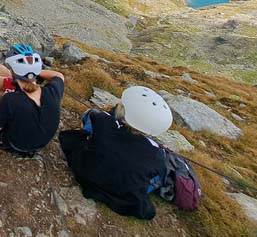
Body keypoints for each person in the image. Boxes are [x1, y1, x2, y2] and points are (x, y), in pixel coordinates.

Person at [58, 86, 172, 220]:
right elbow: (161, 173)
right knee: (153, 176)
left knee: (90, 122)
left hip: (86, 173)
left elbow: (88, 115)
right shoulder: (157, 153)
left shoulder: (103, 120)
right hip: (122, 192)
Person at [0, 44, 65, 157]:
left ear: (14, 71)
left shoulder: (10, 100)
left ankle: (10, 84)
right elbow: (59, 75)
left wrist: (2, 107)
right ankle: (21, 79)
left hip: (17, 145)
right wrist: (32, 71)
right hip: (42, 140)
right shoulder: (53, 91)